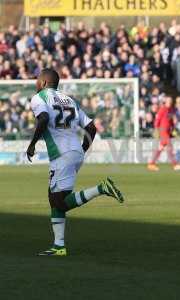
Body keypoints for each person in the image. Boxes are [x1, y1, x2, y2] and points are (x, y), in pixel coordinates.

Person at [26, 68, 124, 256]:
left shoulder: (39, 97)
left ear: (44, 83)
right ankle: (59, 246)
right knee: (55, 199)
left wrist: (32, 144)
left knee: (59, 202)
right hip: (75, 152)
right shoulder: (70, 100)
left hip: (61, 154)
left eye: (38, 80)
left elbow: (44, 118)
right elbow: (91, 128)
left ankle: (102, 188)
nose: (36, 83)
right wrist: (81, 150)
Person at [148, 97, 180, 171]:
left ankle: (151, 164)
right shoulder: (163, 109)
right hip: (163, 130)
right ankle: (175, 165)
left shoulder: (171, 110)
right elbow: (157, 119)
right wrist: (156, 129)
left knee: (160, 148)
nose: (170, 102)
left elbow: (170, 121)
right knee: (169, 146)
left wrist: (173, 128)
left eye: (171, 101)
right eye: (168, 101)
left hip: (167, 131)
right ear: (166, 101)